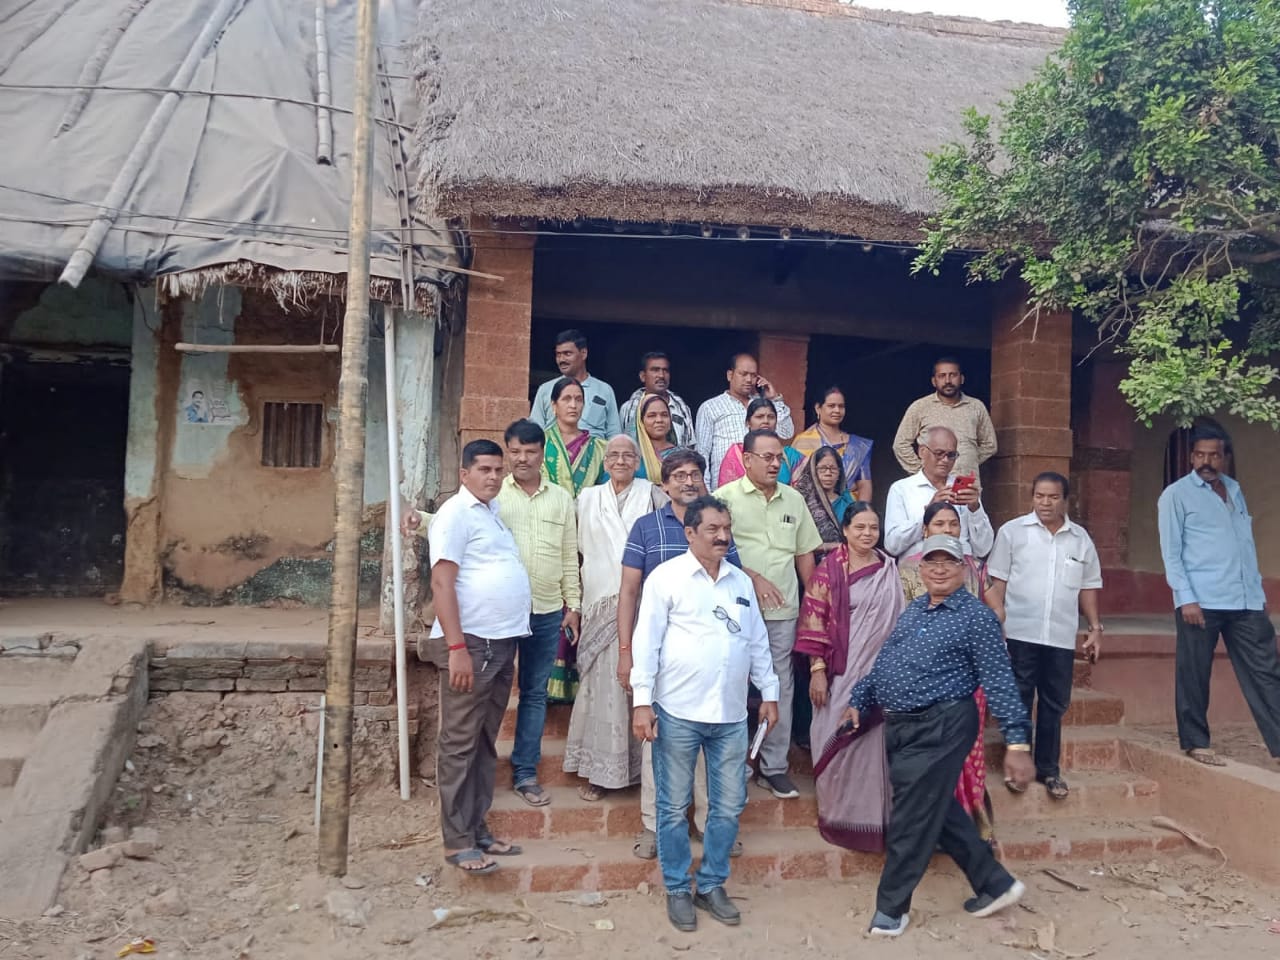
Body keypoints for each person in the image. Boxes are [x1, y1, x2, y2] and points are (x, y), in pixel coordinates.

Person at [843, 534, 1034, 937]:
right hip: (903, 727)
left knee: (911, 818)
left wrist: (1017, 743)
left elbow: (1000, 680)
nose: (940, 570)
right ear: (922, 569)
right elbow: (888, 660)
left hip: (943, 724)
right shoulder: (915, 609)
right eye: (932, 562)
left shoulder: (977, 618)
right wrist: (860, 697)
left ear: (964, 569)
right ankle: (994, 884)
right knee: (934, 806)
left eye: (949, 562)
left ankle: (890, 911)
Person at [630, 495, 780, 932]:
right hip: (677, 711)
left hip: (730, 715)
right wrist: (642, 701)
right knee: (673, 807)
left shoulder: (740, 582)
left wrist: (769, 692)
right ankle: (678, 888)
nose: (722, 536)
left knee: (728, 806)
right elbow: (646, 642)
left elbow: (756, 642)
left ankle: (712, 884)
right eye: (713, 529)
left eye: (726, 528)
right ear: (690, 533)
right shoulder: (666, 578)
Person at [618, 448, 744, 860]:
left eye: (695, 475)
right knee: (659, 745)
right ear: (664, 484)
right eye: (679, 476)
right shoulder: (647, 527)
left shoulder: (716, 526)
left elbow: (736, 583)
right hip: (661, 657)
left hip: (711, 661)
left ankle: (711, 825)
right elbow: (629, 592)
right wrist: (626, 652)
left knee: (711, 749)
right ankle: (654, 826)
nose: (688, 482)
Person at [426, 439, 531, 875]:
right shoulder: (455, 514)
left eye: (497, 470)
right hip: (471, 644)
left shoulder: (491, 513)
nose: (493, 477)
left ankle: (477, 828)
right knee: (459, 743)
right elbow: (441, 583)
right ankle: (457, 842)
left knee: (485, 741)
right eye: (484, 469)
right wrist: (456, 649)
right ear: (464, 473)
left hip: (500, 643)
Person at [1157, 422, 1280, 766]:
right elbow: (1171, 552)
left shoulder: (1234, 490)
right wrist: (1186, 597)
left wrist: (1256, 590)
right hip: (1201, 601)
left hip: (1245, 601)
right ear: (1191, 457)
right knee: (1194, 673)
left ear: (1224, 457)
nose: (1206, 462)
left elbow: (1244, 546)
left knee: (1267, 671)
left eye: (1213, 455)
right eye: (1200, 455)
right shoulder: (1176, 495)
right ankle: (1196, 742)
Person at [717, 429, 822, 799]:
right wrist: (754, 578)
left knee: (779, 685)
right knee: (732, 681)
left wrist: (813, 603)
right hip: (734, 610)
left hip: (783, 610)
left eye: (779, 457)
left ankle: (774, 767)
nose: (775, 463)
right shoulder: (724, 499)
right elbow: (714, 554)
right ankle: (734, 765)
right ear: (747, 459)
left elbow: (804, 553)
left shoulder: (794, 499)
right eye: (767, 457)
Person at [987, 472, 1103, 800]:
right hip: (1019, 633)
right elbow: (997, 584)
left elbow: (1088, 586)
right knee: (1020, 699)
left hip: (1060, 636)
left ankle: (1049, 770)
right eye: (1039, 496)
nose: (1045, 503)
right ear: (1032, 497)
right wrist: (995, 626)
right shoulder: (1012, 533)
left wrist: (1095, 628)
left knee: (1054, 703)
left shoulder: (1080, 540)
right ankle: (1017, 770)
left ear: (1065, 500)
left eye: (1052, 497)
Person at [795, 502, 902, 851]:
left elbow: (900, 624)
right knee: (835, 735)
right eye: (860, 527)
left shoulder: (889, 569)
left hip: (882, 672)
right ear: (845, 530)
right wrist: (818, 671)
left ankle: (874, 823)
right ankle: (838, 817)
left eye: (873, 527)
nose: (867, 534)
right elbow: (813, 621)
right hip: (839, 671)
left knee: (875, 747)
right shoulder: (829, 570)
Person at [495, 420, 582, 807]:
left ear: (542, 453)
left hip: (546, 612)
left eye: (530, 451)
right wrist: (420, 522)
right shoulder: (494, 494)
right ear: (507, 452)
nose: (522, 458)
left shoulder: (561, 498)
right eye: (515, 451)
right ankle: (481, 771)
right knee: (493, 693)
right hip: (500, 612)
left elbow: (568, 557)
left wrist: (573, 605)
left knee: (533, 694)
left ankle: (525, 773)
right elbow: (456, 523)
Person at [563, 436, 655, 800]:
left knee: (638, 684)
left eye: (628, 455)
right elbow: (572, 550)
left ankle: (638, 770)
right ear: (604, 463)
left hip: (641, 605)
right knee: (602, 688)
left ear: (638, 462)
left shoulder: (652, 495)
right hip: (598, 604)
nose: (620, 461)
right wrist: (573, 604)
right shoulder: (587, 499)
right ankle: (601, 772)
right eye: (613, 455)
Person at [898, 501, 994, 841]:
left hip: (968, 676)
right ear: (925, 530)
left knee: (967, 752)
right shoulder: (907, 570)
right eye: (940, 524)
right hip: (924, 677)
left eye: (953, 524)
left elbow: (995, 611)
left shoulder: (973, 568)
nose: (948, 529)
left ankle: (971, 822)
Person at [884, 426, 993, 559]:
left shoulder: (963, 489)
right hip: (918, 567)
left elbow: (983, 549)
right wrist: (928, 513)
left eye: (951, 455)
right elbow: (892, 546)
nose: (945, 460)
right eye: (939, 453)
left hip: (960, 566)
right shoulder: (902, 489)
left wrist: (975, 509)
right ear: (922, 452)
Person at [695, 352, 795, 487]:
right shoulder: (710, 407)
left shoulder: (762, 405)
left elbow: (786, 433)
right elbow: (702, 452)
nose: (749, 380)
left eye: (753, 375)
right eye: (743, 374)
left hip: (762, 484)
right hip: (725, 486)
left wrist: (775, 399)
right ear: (730, 375)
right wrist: (706, 490)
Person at [892, 356, 997, 479]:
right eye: (942, 376)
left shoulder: (976, 407)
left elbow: (990, 445)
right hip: (932, 485)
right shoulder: (920, 407)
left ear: (962, 379)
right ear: (934, 381)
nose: (948, 381)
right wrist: (922, 472)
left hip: (966, 483)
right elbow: (900, 444)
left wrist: (968, 462)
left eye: (953, 375)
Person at [530, 329, 620, 439]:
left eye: (567, 354)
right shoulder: (545, 390)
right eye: (558, 355)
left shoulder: (604, 390)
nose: (561, 359)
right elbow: (534, 433)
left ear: (583, 353)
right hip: (554, 450)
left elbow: (614, 435)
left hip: (595, 449)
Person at [789, 386, 873, 501]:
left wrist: (862, 509)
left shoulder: (858, 446)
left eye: (841, 406)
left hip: (849, 507)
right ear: (818, 408)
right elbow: (796, 482)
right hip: (812, 506)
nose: (837, 410)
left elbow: (864, 484)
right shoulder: (804, 441)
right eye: (831, 406)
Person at [715, 397, 803, 489]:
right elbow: (727, 491)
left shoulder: (790, 455)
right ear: (748, 423)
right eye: (759, 417)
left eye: (771, 417)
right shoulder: (736, 454)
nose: (766, 421)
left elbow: (805, 490)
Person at [543, 377, 607, 496]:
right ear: (554, 405)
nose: (573, 405)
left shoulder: (599, 448)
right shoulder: (541, 442)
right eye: (566, 399)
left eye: (578, 400)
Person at [791, 446, 855, 563]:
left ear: (839, 473)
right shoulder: (799, 500)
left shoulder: (847, 503)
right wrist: (831, 546)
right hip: (807, 565)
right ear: (812, 471)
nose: (828, 473)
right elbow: (795, 541)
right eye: (822, 469)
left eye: (833, 469)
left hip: (844, 563)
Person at [619, 352, 696, 448]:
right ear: (643, 376)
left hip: (677, 457)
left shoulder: (681, 408)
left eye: (665, 370)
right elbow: (622, 445)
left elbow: (690, 446)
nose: (661, 375)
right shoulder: (628, 409)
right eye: (655, 370)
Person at [633, 392, 678, 480]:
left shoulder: (682, 455)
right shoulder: (631, 457)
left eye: (664, 415)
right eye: (652, 416)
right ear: (641, 421)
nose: (659, 420)